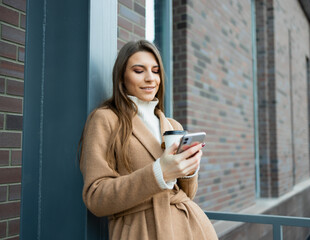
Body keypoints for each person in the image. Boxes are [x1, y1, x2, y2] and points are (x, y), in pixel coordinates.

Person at [79, 40, 218, 240]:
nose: (150, 78)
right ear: (122, 77)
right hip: (140, 231)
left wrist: (190, 168)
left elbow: (188, 194)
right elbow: (96, 197)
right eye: (138, 71)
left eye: (155, 71)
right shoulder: (105, 119)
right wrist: (159, 173)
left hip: (190, 229)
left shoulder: (173, 126)